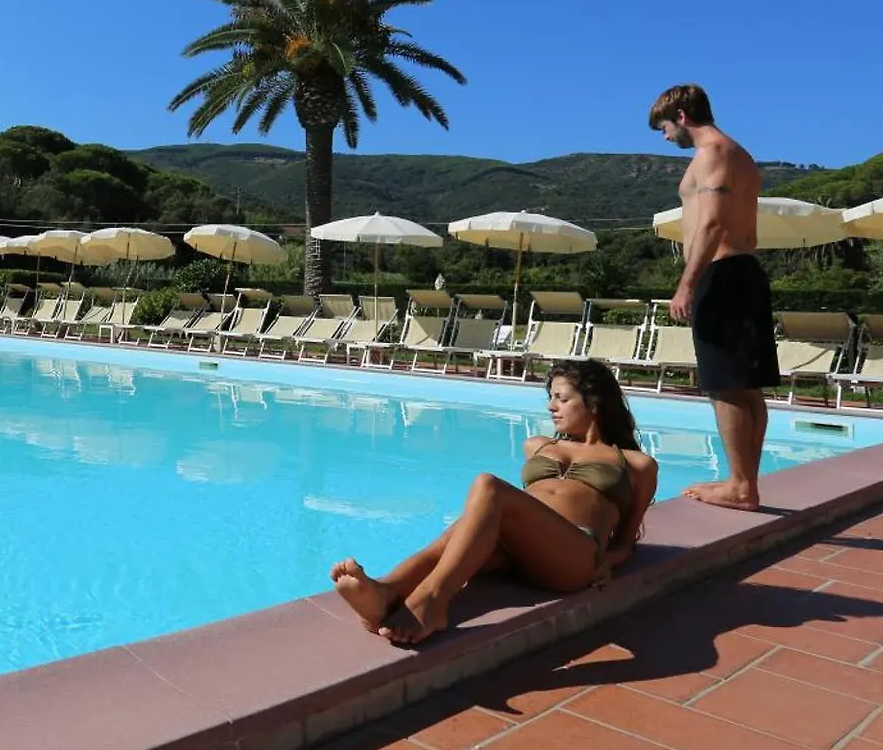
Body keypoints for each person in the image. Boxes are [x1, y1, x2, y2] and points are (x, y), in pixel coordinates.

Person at [331, 360, 657, 645]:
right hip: (520, 553)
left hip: (573, 555)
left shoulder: (636, 464)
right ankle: (386, 591)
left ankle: (432, 600)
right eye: (550, 398)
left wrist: (607, 562)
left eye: (561, 398)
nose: (550, 407)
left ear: (594, 402)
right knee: (455, 538)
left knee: (488, 487)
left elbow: (626, 541)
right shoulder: (537, 445)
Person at [650, 83, 779, 511]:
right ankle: (745, 483)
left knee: (725, 386)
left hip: (721, 274)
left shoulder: (713, 153)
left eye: (664, 127)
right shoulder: (737, 153)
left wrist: (687, 284)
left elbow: (711, 225)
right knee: (745, 386)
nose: (665, 137)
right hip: (739, 272)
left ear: (681, 116)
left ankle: (740, 486)